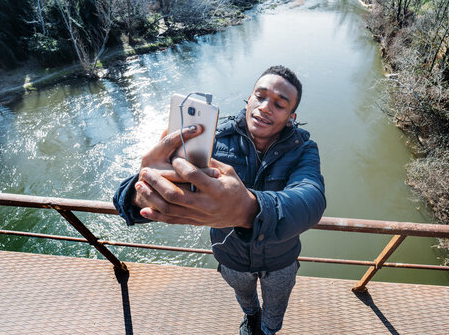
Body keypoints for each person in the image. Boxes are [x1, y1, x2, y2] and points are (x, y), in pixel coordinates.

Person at [113, 65, 326, 335]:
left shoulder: (304, 149)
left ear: (291, 116)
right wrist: (141, 192)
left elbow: (311, 197)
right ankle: (251, 317)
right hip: (231, 256)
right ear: (249, 99)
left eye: (279, 104)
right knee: (245, 298)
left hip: (280, 260)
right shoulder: (213, 138)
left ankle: (270, 330)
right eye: (260, 96)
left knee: (276, 309)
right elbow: (123, 199)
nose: (265, 107)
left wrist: (250, 209)